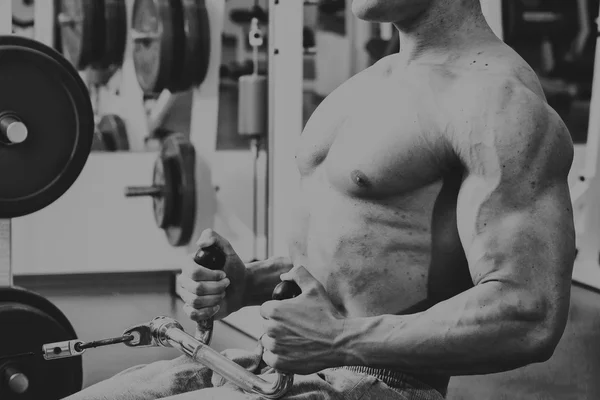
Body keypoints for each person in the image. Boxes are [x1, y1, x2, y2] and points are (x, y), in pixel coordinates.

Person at [67, 0, 576, 399]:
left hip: (371, 384)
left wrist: (340, 341)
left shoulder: (496, 102)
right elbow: (366, 253)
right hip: (273, 369)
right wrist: (248, 284)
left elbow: (527, 312)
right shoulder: (371, 83)